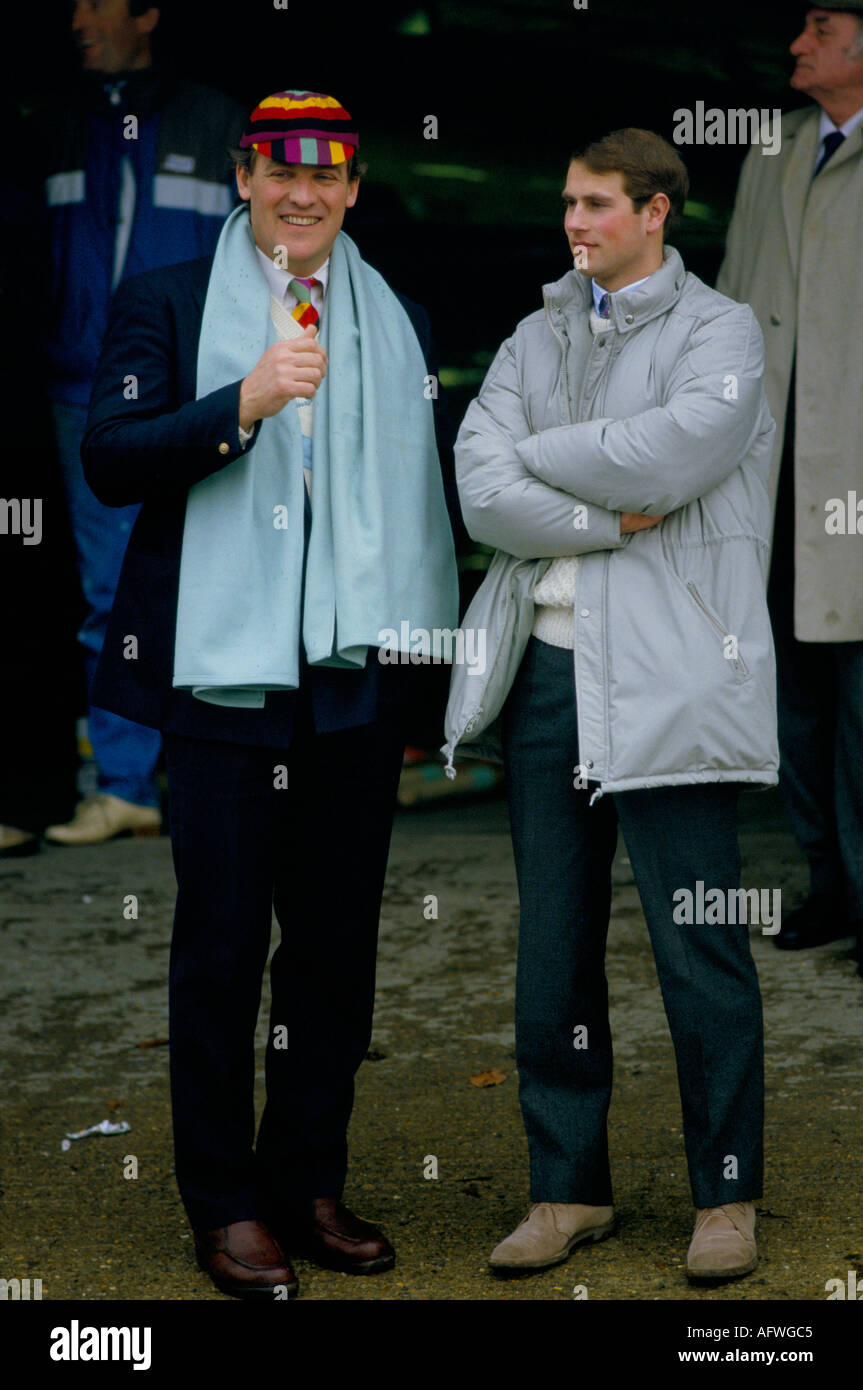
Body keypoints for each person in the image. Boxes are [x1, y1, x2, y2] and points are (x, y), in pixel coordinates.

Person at [82, 90, 459, 1299]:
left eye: (329, 176)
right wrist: (236, 407)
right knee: (220, 950)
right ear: (243, 176)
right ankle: (225, 1202)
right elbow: (110, 456)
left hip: (348, 684)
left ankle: (306, 1184)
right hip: (222, 681)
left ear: (352, 188)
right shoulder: (167, 300)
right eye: (280, 172)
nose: (304, 194)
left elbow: (428, 496)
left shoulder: (397, 315)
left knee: (333, 957)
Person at [443, 129, 778, 1283]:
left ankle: (724, 1196)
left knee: (698, 946)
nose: (574, 224)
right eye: (567, 205)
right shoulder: (536, 332)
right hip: (546, 674)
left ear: (655, 211)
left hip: (673, 672)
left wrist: (542, 458)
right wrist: (588, 511)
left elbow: (671, 457)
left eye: (595, 205)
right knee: (552, 950)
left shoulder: (720, 331)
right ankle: (565, 1189)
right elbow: (480, 490)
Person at [37, 0, 245, 846]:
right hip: (83, 386)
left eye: (98, 3)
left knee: (219, 580)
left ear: (150, 14)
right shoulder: (53, 126)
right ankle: (124, 784)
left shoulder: (216, 119)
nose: (78, 19)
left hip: (202, 389)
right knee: (108, 591)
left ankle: (207, 777)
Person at [716, 3, 863, 959]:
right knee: (797, 693)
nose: (794, 44)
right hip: (775, 473)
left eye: (818, 25)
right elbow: (729, 306)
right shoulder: (769, 153)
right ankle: (832, 886)